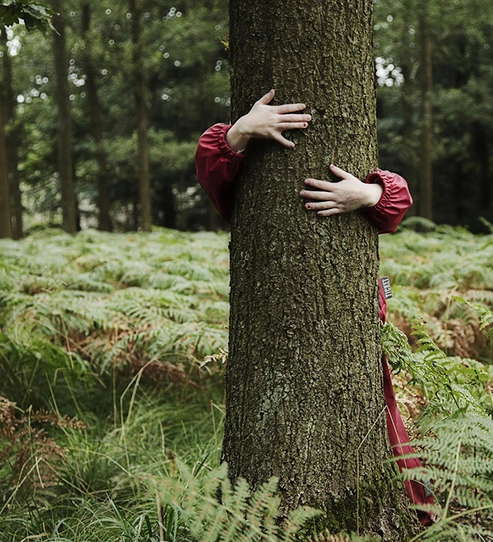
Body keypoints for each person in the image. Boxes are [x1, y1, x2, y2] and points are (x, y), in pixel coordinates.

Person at [195, 89, 434, 525]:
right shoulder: (240, 169)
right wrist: (241, 131)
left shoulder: (366, 181)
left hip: (357, 325)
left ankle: (413, 515)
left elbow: (397, 203)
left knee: (385, 426)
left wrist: (367, 194)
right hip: (274, 326)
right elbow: (212, 173)